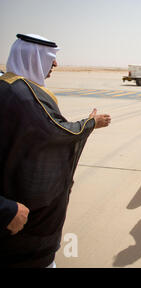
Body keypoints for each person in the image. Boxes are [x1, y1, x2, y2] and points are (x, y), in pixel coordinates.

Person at [0, 34, 111, 268]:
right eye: (50, 58)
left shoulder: (7, 85)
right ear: (32, 57)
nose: (56, 64)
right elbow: (56, 132)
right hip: (23, 234)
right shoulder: (25, 96)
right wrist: (90, 123)